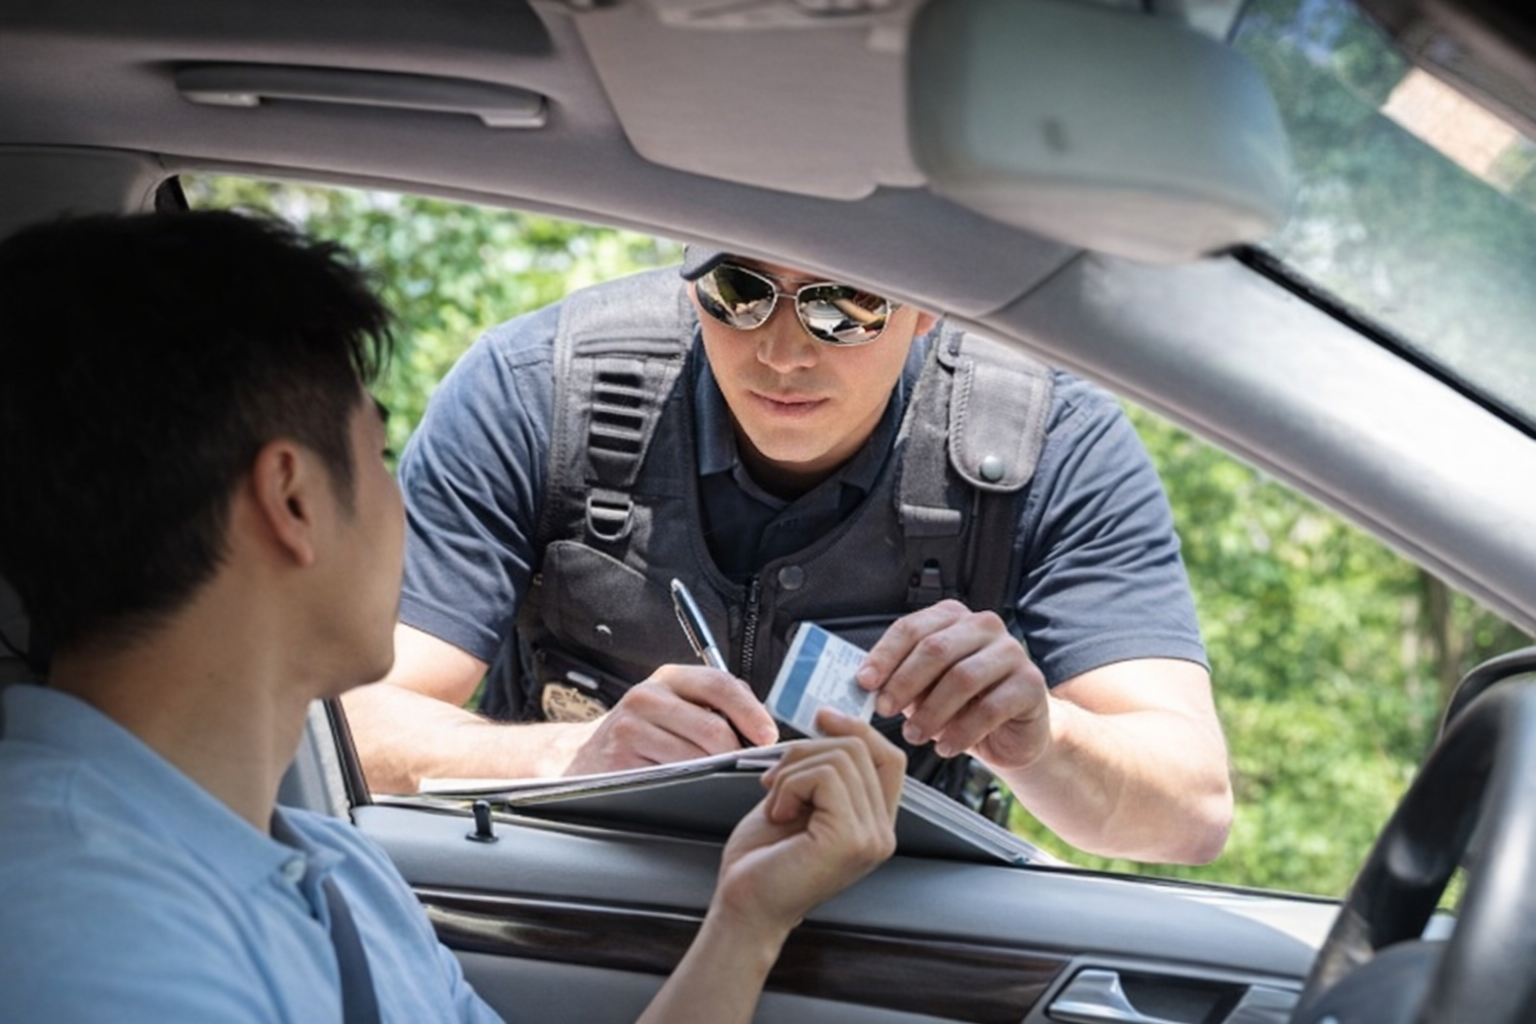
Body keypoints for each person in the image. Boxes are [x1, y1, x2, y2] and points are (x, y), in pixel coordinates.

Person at [0, 212, 903, 1023]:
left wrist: (748, 917)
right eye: (378, 454)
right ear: (293, 498)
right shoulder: (81, 923)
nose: (403, 508)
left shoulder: (328, 869)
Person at [344, 247, 1234, 865]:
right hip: (573, 895)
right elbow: (340, 721)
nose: (781, 352)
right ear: (690, 277)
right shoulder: (538, 390)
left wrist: (1041, 738)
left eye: (843, 304)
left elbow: (1188, 812)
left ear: (928, 304)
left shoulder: (1050, 442)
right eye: (740, 289)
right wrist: (570, 758)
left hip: (886, 923)